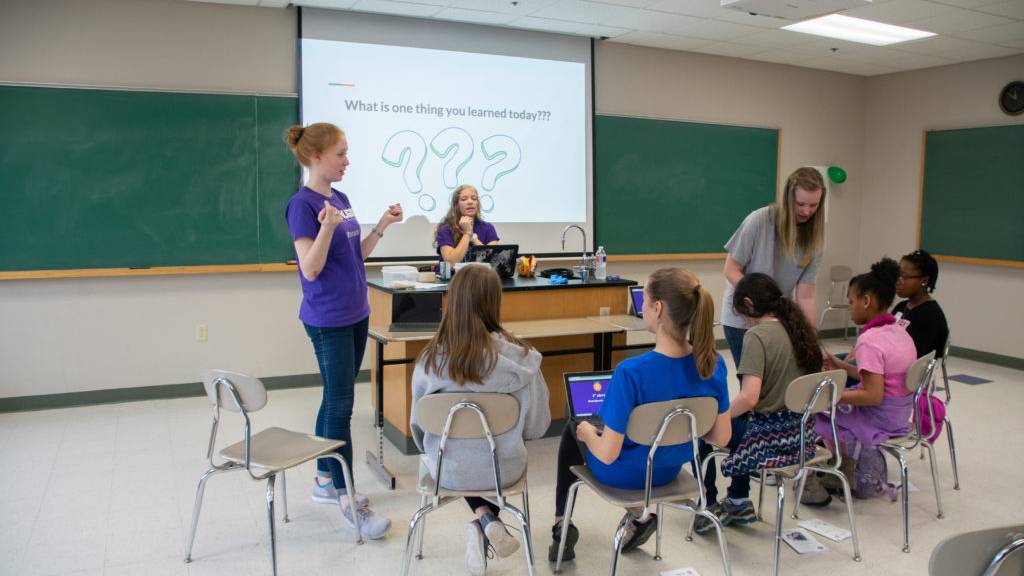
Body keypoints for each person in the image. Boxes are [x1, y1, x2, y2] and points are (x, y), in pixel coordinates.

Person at [549, 268, 732, 562]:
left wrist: (587, 434)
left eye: (644, 300)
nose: (641, 306)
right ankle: (641, 515)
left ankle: (562, 524)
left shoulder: (631, 373)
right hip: (667, 471)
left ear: (657, 309)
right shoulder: (713, 364)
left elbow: (608, 454)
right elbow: (722, 437)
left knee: (575, 426)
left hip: (623, 475)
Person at [284, 122, 403, 540]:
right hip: (327, 318)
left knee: (334, 398)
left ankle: (322, 477)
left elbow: (357, 255)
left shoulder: (342, 198)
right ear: (316, 157)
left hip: (357, 313)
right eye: (341, 154)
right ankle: (346, 497)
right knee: (341, 407)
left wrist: (382, 226)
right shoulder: (302, 205)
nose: (347, 161)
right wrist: (328, 227)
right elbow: (311, 268)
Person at [411, 264, 550, 576]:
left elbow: (418, 430)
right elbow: (538, 427)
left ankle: (483, 518)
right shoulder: (524, 360)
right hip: (505, 469)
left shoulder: (429, 362)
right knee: (491, 459)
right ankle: (485, 520)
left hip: (448, 470)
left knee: (460, 459)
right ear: (494, 302)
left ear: (453, 301)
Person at [693, 273, 823, 534]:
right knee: (738, 423)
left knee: (706, 432)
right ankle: (738, 500)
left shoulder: (757, 336)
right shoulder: (799, 329)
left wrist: (720, 416)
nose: (742, 319)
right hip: (801, 434)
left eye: (741, 313)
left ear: (749, 304)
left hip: (770, 437)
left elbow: (749, 397)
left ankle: (707, 504)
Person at [802, 257, 917, 504]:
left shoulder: (869, 341)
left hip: (880, 417)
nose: (850, 306)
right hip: (900, 413)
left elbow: (873, 395)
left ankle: (821, 476)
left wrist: (831, 397)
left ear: (866, 301)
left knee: (815, 413)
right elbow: (878, 378)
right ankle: (843, 467)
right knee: (834, 404)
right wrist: (842, 366)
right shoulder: (898, 330)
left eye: (851, 301)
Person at [721, 167, 827, 371]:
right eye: (800, 204)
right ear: (788, 198)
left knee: (775, 381)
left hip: (777, 319)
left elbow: (806, 296)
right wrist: (757, 304)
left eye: (813, 205)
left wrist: (812, 338)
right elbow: (731, 269)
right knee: (753, 384)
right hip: (743, 319)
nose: (806, 211)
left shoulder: (815, 239)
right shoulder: (759, 220)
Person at [892, 249, 949, 359]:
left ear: (924, 280)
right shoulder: (901, 307)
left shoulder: (931, 315)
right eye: (897, 275)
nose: (898, 281)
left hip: (904, 371)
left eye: (904, 277)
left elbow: (919, 357)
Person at [435, 185, 500, 264]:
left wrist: (474, 239)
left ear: (478, 204)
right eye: (464, 199)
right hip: (454, 276)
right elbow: (451, 263)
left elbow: (493, 261)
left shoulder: (488, 227)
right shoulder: (445, 229)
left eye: (474, 198)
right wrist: (467, 234)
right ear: (456, 205)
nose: (470, 202)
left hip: (480, 275)